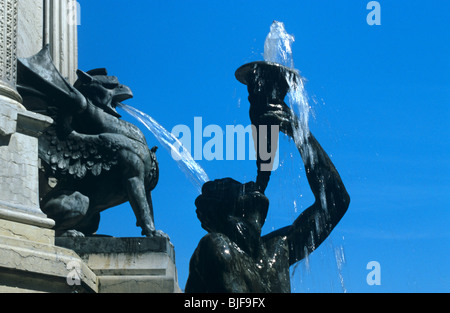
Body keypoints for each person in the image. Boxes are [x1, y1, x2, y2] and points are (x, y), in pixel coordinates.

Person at [185, 101, 350, 293]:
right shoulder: (215, 247)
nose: (247, 184)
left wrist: (299, 132)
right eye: (230, 185)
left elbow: (336, 201)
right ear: (225, 209)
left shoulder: (277, 249)